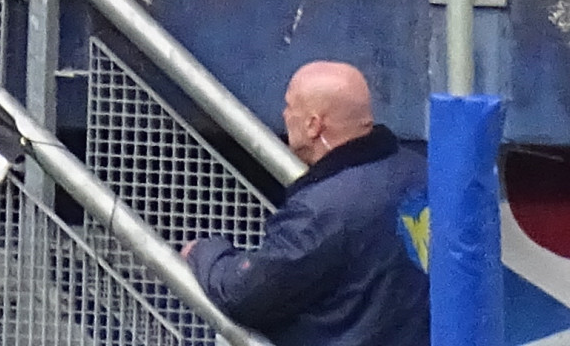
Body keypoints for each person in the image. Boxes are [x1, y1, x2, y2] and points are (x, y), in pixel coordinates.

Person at [183, 62, 431, 343]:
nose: (284, 115)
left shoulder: (321, 212)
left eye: (290, 106)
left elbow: (246, 295)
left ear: (313, 125)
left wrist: (206, 253)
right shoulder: (422, 173)